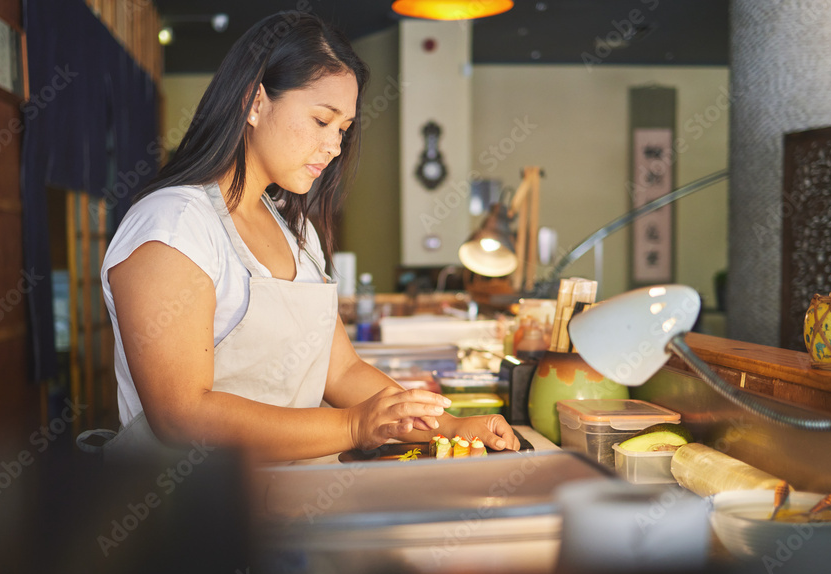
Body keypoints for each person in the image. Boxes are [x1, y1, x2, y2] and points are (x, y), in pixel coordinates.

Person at [99, 11, 519, 462]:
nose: (335, 147)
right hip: (190, 516)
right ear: (253, 103)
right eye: (322, 121)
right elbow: (182, 415)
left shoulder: (294, 230)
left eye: (343, 129)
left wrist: (450, 428)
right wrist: (354, 425)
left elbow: (342, 370)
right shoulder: (174, 224)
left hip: (289, 500)